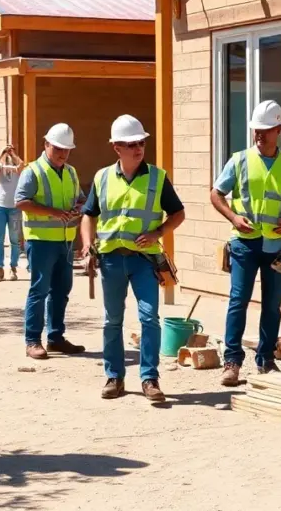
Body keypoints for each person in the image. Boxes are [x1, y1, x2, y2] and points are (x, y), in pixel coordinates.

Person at [80, 115, 185, 402]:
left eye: (141, 142)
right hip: (112, 260)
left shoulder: (157, 177)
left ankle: (150, 378)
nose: (138, 148)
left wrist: (158, 233)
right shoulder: (102, 178)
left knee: (149, 317)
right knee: (112, 320)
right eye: (131, 144)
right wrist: (88, 246)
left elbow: (178, 213)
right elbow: (88, 215)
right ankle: (114, 377)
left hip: (144, 260)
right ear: (116, 148)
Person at [210, 100, 281, 387]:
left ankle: (266, 359)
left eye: (266, 130)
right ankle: (232, 362)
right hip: (244, 243)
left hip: (277, 246)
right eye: (256, 129)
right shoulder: (240, 160)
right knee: (238, 301)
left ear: (279, 129)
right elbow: (216, 194)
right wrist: (233, 217)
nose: (259, 134)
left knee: (272, 305)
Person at [15, 123, 87, 359]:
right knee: (40, 290)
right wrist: (53, 212)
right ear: (46, 144)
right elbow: (21, 201)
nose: (62, 154)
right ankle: (32, 340)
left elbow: (81, 199)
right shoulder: (32, 171)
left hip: (65, 241)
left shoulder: (71, 172)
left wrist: (78, 207)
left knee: (61, 291)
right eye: (58, 149)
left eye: (66, 150)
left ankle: (55, 337)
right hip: (41, 241)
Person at [0, 144, 25, 282]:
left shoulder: (16, 169)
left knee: (14, 239)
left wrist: (13, 154)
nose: (8, 156)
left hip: (14, 208)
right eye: (7, 154)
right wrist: (1, 154)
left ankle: (13, 268)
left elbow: (22, 165)